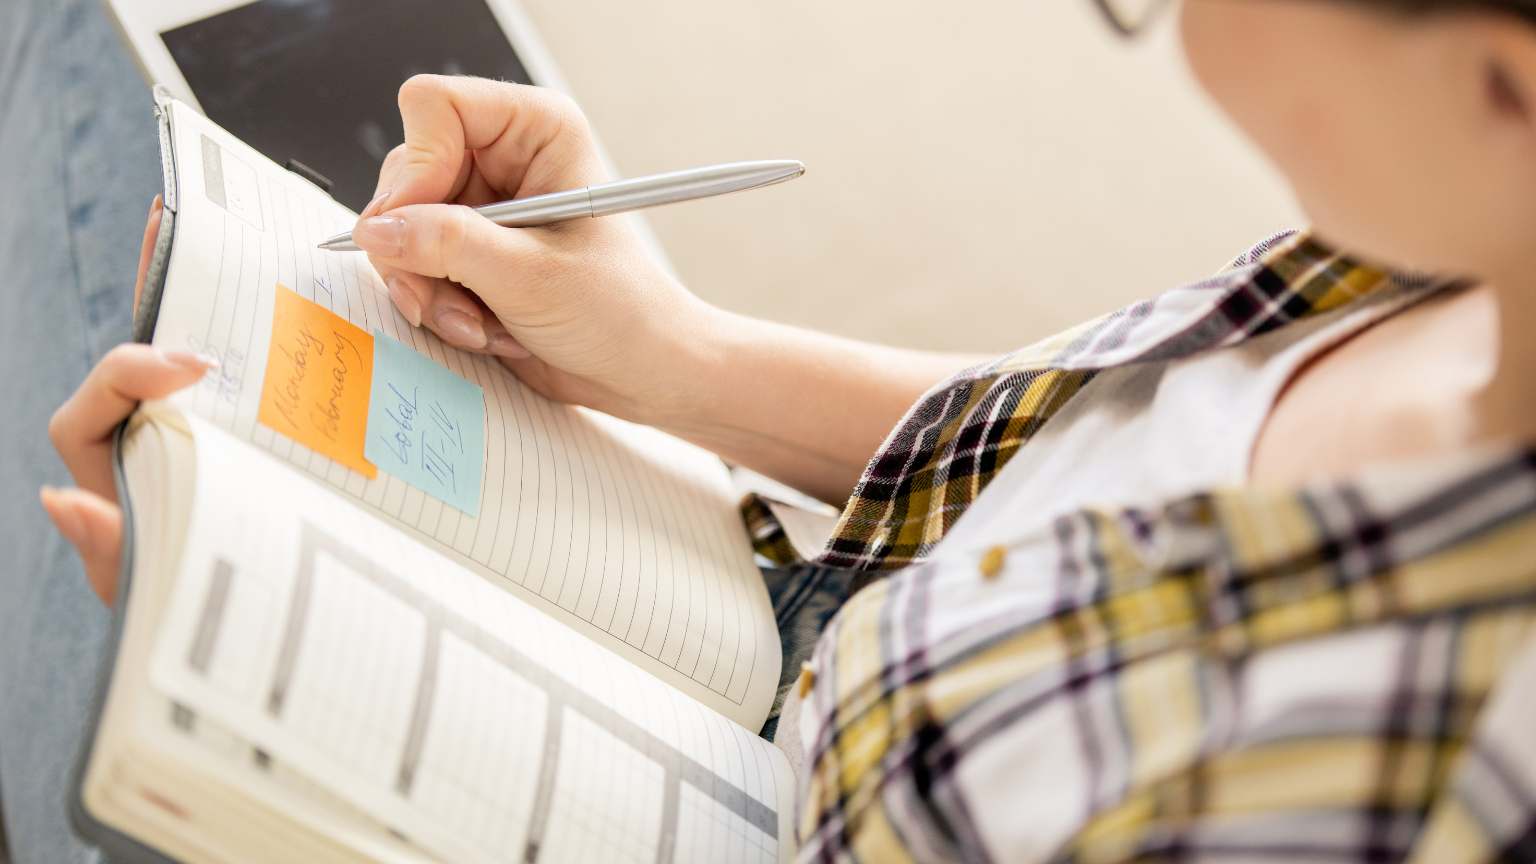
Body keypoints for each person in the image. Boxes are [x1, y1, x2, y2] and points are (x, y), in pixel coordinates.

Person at [26, 0, 1536, 860]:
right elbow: (1080, 470)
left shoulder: (1451, 784)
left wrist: (239, 734)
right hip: (742, 618)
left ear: (1508, 89)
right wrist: (674, 354)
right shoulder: (1432, 253)